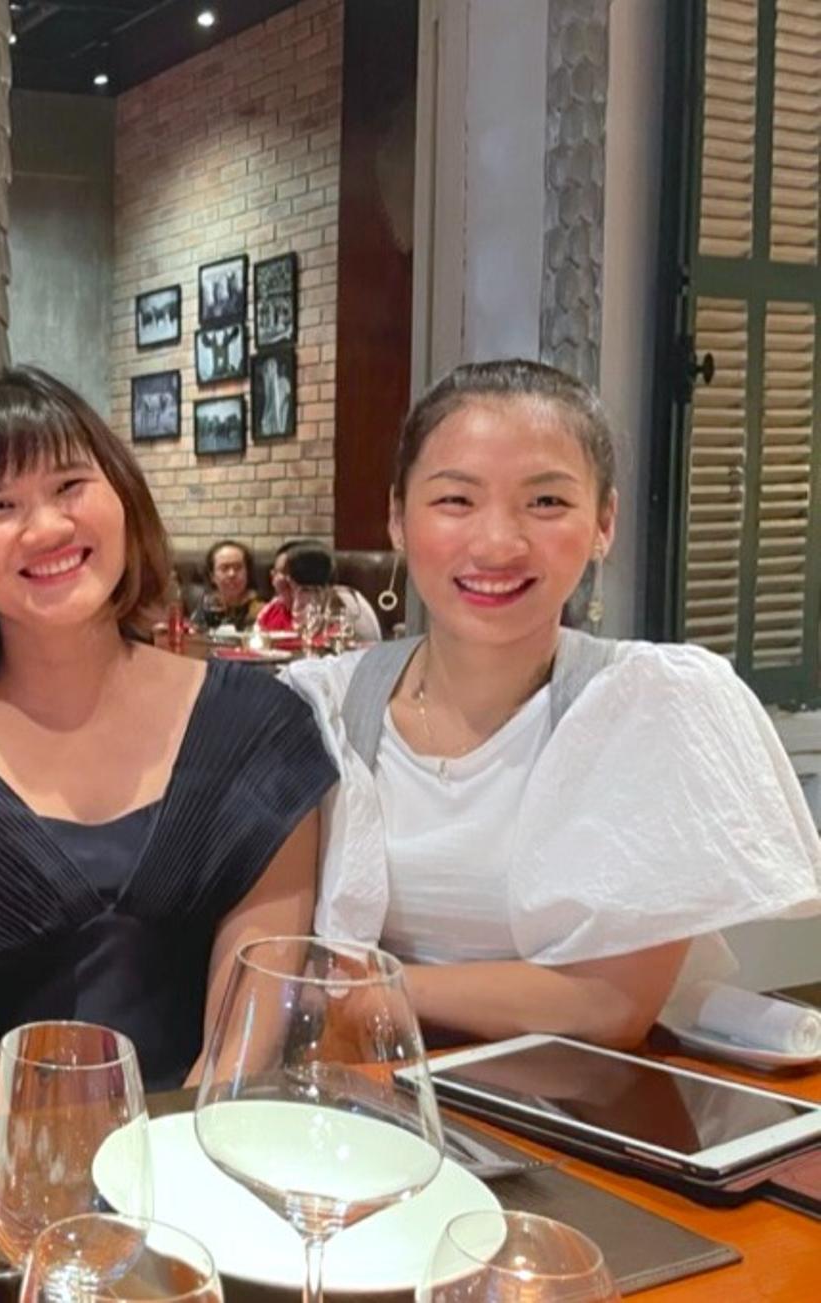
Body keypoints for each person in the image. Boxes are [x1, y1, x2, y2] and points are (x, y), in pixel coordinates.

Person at [284, 360, 821, 1048]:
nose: (497, 545)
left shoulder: (653, 709)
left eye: (545, 502)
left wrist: (369, 991)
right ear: (397, 517)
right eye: (455, 500)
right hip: (359, 1092)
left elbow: (606, 1006)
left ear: (604, 522)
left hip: (573, 1101)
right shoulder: (322, 705)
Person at [0, 367, 336, 1126]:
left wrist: (170, 1180)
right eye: (0, 506)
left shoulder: (259, 728)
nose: (47, 528)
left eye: (70, 486)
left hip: (210, 1147)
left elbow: (246, 1038)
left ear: (122, 496)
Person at [256, 539, 382, 643]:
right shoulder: (278, 607)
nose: (280, 579)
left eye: (286, 572)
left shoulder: (344, 601)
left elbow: (364, 644)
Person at [193, 539, 263, 631]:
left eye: (238, 568)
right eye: (224, 568)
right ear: (212, 576)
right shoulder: (207, 604)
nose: (232, 574)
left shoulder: (262, 608)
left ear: (247, 573)